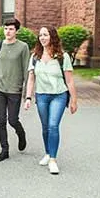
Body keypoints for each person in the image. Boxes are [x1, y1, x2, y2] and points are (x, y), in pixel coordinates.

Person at [24, 26, 78, 175]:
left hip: (59, 95)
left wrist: (74, 100)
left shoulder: (62, 57)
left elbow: (70, 81)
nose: (42, 37)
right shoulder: (35, 57)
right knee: (45, 126)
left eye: (45, 35)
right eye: (40, 35)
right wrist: (28, 97)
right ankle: (48, 153)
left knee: (53, 125)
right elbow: (31, 79)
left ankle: (53, 160)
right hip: (41, 96)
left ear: (52, 36)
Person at [0, 17, 31, 162]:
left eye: (11, 29)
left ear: (16, 31)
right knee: (1, 120)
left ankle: (21, 133)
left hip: (15, 90)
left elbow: (26, 70)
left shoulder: (23, 47)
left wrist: (26, 93)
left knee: (12, 120)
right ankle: (4, 150)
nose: (8, 31)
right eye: (6, 28)